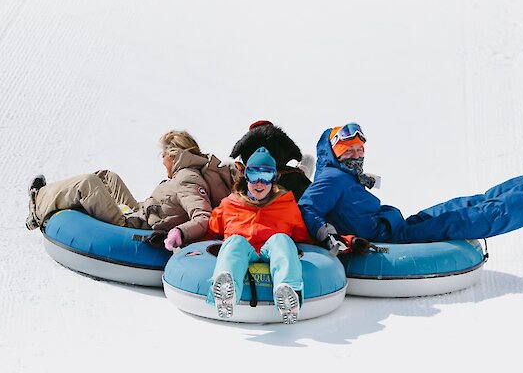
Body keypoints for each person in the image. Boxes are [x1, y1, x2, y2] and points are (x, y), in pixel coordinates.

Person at [298, 123, 523, 250]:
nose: (356, 155)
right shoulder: (331, 179)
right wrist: (326, 233)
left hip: (393, 226)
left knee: (455, 206)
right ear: (336, 154)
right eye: (349, 151)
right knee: (457, 220)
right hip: (387, 239)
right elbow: (307, 207)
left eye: (359, 149)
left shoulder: (344, 175)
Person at [25, 130, 232, 251]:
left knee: (87, 183)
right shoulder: (184, 174)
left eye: (163, 154)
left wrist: (178, 232)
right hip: (138, 213)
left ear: (173, 154)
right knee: (107, 177)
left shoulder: (188, 178)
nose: (161, 159)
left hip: (133, 228)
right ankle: (56, 199)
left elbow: (204, 217)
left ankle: (38, 205)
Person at [206, 146, 313, 323]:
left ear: (274, 179)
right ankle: (226, 292)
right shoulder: (229, 205)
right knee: (234, 242)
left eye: (266, 176)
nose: (259, 183)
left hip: (272, 252)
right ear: (246, 176)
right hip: (242, 251)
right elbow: (211, 234)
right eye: (254, 175)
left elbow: (304, 240)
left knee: (282, 239)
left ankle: (288, 292)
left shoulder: (286, 205)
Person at [230, 120, 312, 201]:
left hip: (247, 193)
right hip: (287, 185)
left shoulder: (242, 174)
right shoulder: (291, 175)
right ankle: (303, 171)